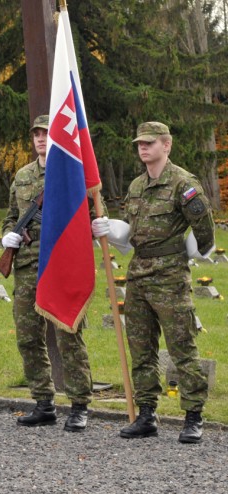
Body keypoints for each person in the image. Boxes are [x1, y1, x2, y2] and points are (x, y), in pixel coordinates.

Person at [94, 122, 214, 444]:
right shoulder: (135, 186)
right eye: (139, 144)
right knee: (141, 349)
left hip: (170, 278)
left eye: (149, 143)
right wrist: (114, 232)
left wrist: (190, 251)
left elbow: (205, 232)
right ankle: (147, 414)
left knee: (182, 349)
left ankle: (193, 416)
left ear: (167, 145)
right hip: (138, 276)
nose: (143, 148)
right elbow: (132, 233)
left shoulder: (183, 184)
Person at [1, 114, 100, 432]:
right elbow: (11, 216)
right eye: (37, 134)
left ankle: (79, 405)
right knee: (28, 337)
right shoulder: (23, 175)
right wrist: (8, 236)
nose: (41, 139)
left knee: (69, 337)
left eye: (47, 133)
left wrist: (98, 227)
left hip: (61, 267)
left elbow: (92, 213)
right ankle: (43, 402)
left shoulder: (72, 173)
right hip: (28, 267)